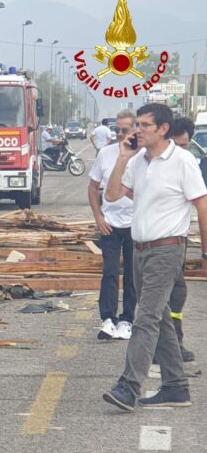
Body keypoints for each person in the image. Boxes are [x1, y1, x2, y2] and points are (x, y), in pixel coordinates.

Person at [102, 103, 207, 411]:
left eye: (145, 125)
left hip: (167, 248)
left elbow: (202, 204)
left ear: (163, 129)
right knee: (158, 319)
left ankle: (128, 386)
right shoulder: (138, 161)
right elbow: (111, 194)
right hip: (140, 250)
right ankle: (176, 387)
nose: (138, 130)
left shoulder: (183, 161)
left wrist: (205, 251)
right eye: (137, 124)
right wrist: (122, 157)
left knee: (144, 317)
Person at [152, 115, 205, 363]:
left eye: (185, 146)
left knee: (176, 295)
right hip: (155, 243)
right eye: (177, 145)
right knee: (162, 297)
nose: (181, 151)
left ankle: (172, 343)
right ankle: (165, 348)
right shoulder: (151, 163)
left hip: (175, 243)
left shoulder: (187, 164)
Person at [88, 109, 137, 341]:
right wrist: (98, 218)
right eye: (117, 129)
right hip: (110, 224)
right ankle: (108, 319)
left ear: (135, 130)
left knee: (131, 274)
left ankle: (127, 319)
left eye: (124, 130)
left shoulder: (144, 155)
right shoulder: (105, 154)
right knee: (109, 272)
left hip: (135, 226)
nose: (119, 134)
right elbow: (92, 187)